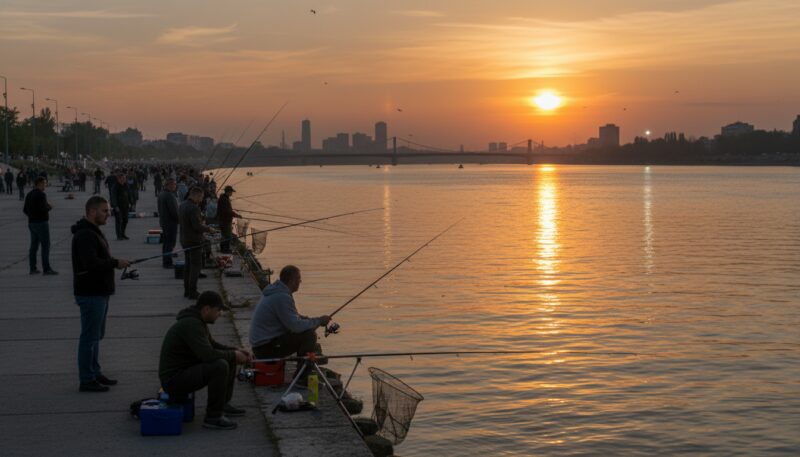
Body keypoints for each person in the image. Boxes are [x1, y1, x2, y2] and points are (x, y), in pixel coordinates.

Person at [158, 291, 251, 430]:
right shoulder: (192, 325)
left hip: (183, 372)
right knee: (220, 366)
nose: (219, 314)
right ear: (206, 309)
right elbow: (207, 355)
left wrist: (235, 350)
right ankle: (213, 417)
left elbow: (212, 345)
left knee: (228, 358)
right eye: (218, 310)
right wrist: (234, 355)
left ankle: (222, 405)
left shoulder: (197, 321)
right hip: (173, 380)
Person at [71, 196, 132, 392]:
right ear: (92, 212)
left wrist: (116, 261)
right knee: (89, 337)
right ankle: (86, 379)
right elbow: (91, 263)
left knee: (96, 335)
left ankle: (95, 371)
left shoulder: (92, 232)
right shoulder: (85, 235)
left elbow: (99, 258)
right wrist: (115, 263)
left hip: (99, 291)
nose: (109, 214)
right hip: (90, 293)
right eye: (104, 211)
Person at [250, 265, 331, 381]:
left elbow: (292, 317)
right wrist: (319, 321)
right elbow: (295, 326)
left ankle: (302, 372)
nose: (300, 282)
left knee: (307, 330)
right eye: (299, 279)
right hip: (265, 350)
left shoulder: (277, 291)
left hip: (262, 345)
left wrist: (310, 319)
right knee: (309, 335)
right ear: (292, 280)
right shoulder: (282, 296)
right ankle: (301, 378)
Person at [179, 187, 215, 299]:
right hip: (194, 241)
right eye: (201, 197)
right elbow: (197, 226)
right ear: (196, 195)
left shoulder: (182, 205)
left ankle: (186, 291)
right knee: (196, 266)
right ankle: (193, 292)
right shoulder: (194, 208)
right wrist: (209, 229)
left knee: (188, 266)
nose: (201, 200)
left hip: (184, 239)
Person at [23, 176, 57, 275]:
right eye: (45, 183)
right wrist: (49, 207)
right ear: (40, 183)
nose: (45, 185)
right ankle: (46, 269)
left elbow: (25, 209)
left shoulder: (29, 194)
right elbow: (43, 209)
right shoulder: (41, 195)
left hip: (31, 223)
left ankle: (32, 268)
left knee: (34, 246)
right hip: (41, 223)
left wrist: (31, 216)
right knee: (45, 245)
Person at [157, 178, 180, 268]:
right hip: (170, 223)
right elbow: (174, 211)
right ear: (169, 185)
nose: (175, 186)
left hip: (164, 222)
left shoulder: (161, 194)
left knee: (166, 243)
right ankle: (167, 262)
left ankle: (166, 260)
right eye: (174, 184)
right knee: (170, 243)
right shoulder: (170, 195)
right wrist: (179, 220)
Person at [216, 186, 240, 254]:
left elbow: (227, 210)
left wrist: (234, 213)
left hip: (223, 220)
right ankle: (225, 250)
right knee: (227, 236)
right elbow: (227, 211)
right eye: (231, 192)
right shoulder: (224, 199)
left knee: (224, 235)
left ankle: (223, 249)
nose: (232, 193)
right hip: (225, 221)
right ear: (228, 192)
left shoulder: (224, 198)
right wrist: (236, 215)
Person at [110, 173, 131, 240]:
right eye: (122, 178)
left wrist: (132, 203)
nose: (124, 180)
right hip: (118, 207)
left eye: (124, 178)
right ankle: (119, 235)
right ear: (118, 179)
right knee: (119, 221)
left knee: (125, 220)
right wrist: (115, 206)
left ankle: (123, 233)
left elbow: (129, 194)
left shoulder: (126, 185)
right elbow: (113, 197)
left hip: (126, 206)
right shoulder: (115, 186)